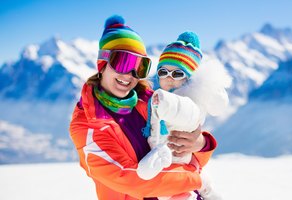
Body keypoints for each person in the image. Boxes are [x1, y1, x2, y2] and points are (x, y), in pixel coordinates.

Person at [69, 15, 217, 200]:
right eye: (123, 62)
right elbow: (133, 180)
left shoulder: (151, 101)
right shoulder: (88, 125)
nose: (129, 75)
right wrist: (197, 180)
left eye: (139, 67)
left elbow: (188, 157)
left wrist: (200, 144)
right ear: (102, 64)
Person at [137, 32, 230, 200]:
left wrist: (201, 142)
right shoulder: (150, 99)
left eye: (177, 74)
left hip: (176, 165)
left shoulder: (186, 102)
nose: (169, 78)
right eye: (163, 72)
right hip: (168, 169)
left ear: (190, 79)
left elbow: (183, 110)